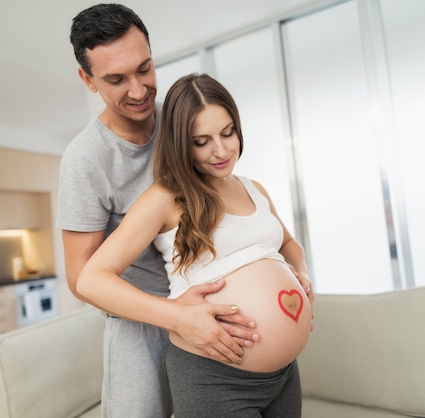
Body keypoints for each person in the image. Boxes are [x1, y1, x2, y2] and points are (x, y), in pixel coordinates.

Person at [58, 4, 279, 418]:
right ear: (87, 80)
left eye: (145, 69)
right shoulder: (86, 160)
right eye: (116, 79)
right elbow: (80, 278)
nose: (139, 89)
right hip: (140, 322)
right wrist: (175, 316)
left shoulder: (182, 123)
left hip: (214, 315)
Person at [78, 73, 314, 417]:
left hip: (283, 374)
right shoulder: (165, 197)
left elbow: (289, 243)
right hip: (213, 376)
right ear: (180, 143)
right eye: (201, 141)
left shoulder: (254, 189)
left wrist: (302, 273)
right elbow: (91, 279)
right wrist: (177, 317)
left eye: (228, 132)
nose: (220, 150)